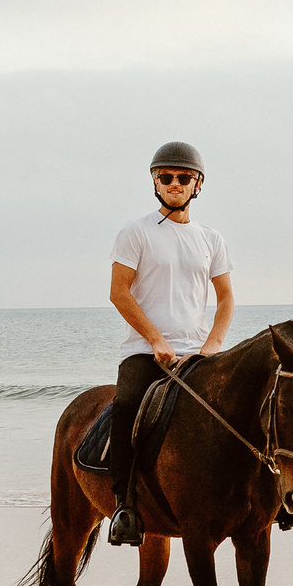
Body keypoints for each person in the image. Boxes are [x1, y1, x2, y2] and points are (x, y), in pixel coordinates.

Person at [103, 142, 235, 546]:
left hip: (198, 353)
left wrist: (213, 344)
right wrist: (156, 340)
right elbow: (119, 292)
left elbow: (226, 298)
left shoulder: (211, 239)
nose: (175, 183)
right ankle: (125, 507)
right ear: (155, 182)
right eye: (167, 177)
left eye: (183, 177)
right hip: (145, 352)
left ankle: (265, 498)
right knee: (127, 408)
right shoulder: (135, 232)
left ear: (197, 185)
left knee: (247, 407)